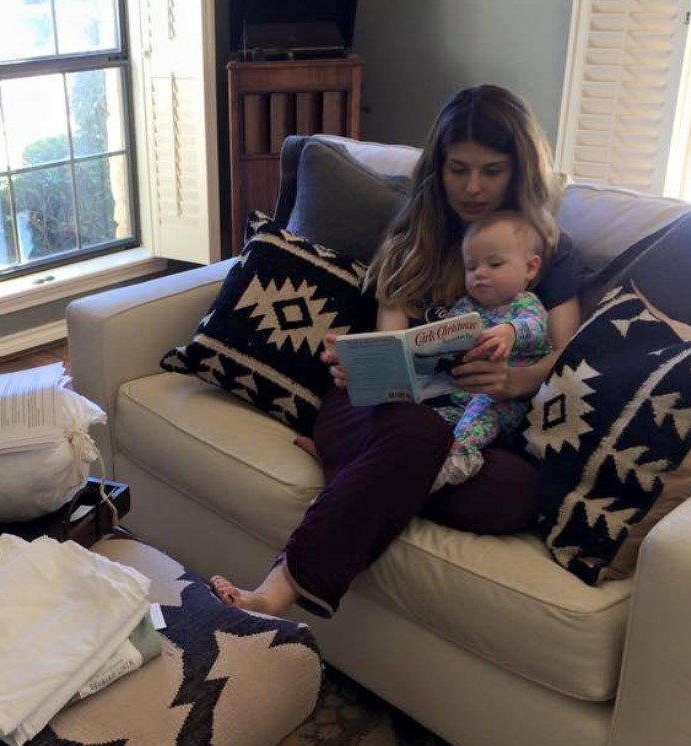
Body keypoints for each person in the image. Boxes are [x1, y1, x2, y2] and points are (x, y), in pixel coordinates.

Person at [211, 84, 582, 619]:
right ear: (440, 165)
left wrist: (514, 382)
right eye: (459, 169)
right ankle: (277, 588)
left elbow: (567, 358)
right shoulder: (416, 230)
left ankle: (357, 472)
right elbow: (392, 348)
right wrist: (362, 361)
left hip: (476, 429)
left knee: (517, 494)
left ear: (519, 169)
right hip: (383, 415)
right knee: (415, 434)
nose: (473, 187)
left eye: (492, 170)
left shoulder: (547, 249)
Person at [430, 211, 551, 492]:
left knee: (483, 405)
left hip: (503, 399)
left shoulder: (525, 303)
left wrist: (510, 331)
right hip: (455, 397)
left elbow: (537, 329)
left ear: (530, 268)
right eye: (471, 267)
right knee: (429, 420)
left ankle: (461, 456)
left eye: (494, 264)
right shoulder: (465, 307)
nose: (480, 274)